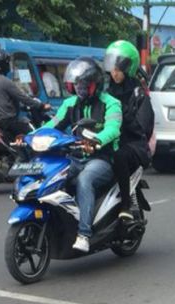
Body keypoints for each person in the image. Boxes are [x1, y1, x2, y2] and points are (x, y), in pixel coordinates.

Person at [42, 57, 123, 253]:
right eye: (77, 84)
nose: (81, 88)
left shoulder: (111, 103)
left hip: (101, 159)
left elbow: (113, 129)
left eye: (85, 84)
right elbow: (53, 124)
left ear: (96, 84)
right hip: (74, 157)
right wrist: (29, 137)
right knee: (50, 177)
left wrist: (96, 142)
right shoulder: (70, 103)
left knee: (84, 180)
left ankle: (84, 234)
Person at [103, 40, 154, 221]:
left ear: (127, 68)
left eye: (117, 69)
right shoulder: (106, 92)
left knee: (119, 156)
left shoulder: (138, 94)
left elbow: (143, 128)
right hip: (107, 141)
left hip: (133, 145)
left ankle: (125, 204)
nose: (114, 73)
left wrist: (122, 116)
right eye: (112, 68)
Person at [0, 48, 45, 140]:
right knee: (31, 134)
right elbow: (23, 98)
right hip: (7, 123)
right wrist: (41, 105)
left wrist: (21, 106)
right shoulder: (4, 81)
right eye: (7, 62)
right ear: (2, 64)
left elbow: (2, 99)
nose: (8, 65)